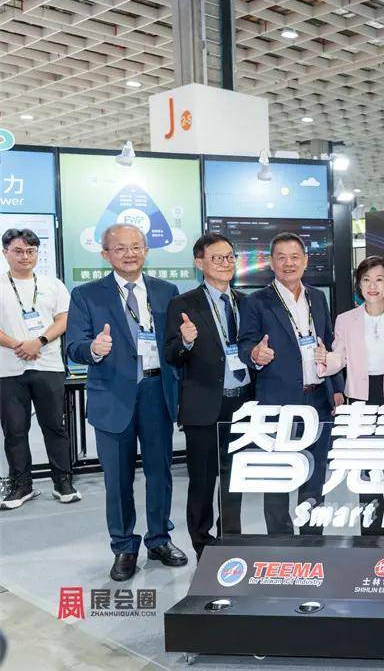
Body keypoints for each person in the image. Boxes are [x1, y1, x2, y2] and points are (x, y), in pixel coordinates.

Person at [65, 224, 186, 581]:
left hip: (156, 391)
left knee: (160, 473)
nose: (129, 254)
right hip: (112, 396)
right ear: (106, 254)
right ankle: (123, 546)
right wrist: (92, 349)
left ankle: (159, 539)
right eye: (120, 249)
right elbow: (73, 346)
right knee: (117, 479)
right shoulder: (86, 294)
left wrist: (186, 342)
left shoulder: (166, 291)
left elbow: (174, 345)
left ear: (146, 250)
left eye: (136, 247)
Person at [238, 232, 344, 535]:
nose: (289, 263)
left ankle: (312, 539)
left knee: (315, 474)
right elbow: (245, 343)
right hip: (277, 403)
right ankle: (281, 543)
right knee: (277, 477)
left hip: (318, 400)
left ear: (305, 261)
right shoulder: (256, 302)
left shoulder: (317, 298)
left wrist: (337, 388)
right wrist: (255, 354)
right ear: (271, 263)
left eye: (295, 257)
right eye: (281, 257)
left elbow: (328, 343)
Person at [164, 234, 255, 560]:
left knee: (235, 479)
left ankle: (230, 538)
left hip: (242, 403)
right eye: (217, 258)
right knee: (203, 482)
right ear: (199, 263)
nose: (226, 263)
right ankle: (202, 546)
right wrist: (185, 341)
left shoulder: (246, 302)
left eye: (230, 257)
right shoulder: (183, 304)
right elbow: (171, 355)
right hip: (203, 406)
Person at [317, 256, 384, 536]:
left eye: (379, 280)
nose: (372, 286)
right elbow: (339, 357)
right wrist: (325, 359)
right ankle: (371, 533)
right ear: (359, 285)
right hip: (361, 399)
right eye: (366, 280)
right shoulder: (346, 319)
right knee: (367, 465)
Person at [0, 229, 79, 510]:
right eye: (18, 251)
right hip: (8, 369)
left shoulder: (52, 284)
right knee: (15, 430)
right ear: (5, 252)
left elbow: (64, 319)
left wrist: (39, 341)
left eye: (31, 251)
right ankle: (22, 485)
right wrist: (19, 345)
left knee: (55, 426)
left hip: (48, 365)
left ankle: (63, 482)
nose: (25, 256)